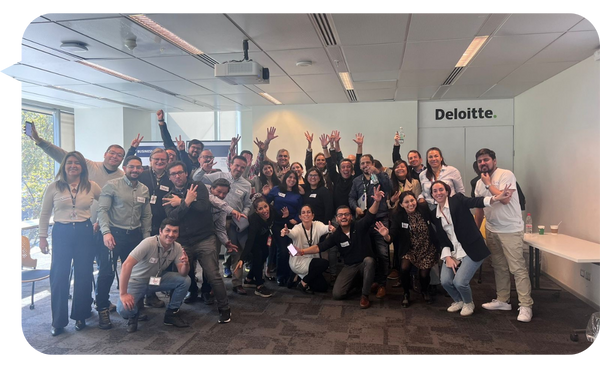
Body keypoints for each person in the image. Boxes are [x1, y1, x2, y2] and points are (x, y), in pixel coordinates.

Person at [38, 151, 102, 336]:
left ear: (82, 167)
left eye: (77, 163)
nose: (73, 166)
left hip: (84, 231)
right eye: (70, 162)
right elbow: (44, 213)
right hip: (62, 232)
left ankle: (80, 315)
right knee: (59, 276)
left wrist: (99, 221)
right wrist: (42, 237)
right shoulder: (54, 187)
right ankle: (58, 321)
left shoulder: (91, 186)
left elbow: (106, 202)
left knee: (83, 274)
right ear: (64, 166)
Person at [294, 186, 385, 309]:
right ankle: (362, 285)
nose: (343, 217)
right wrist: (302, 251)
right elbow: (320, 247)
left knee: (369, 261)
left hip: (365, 264)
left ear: (350, 216)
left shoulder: (359, 226)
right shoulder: (336, 235)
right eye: (340, 215)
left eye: (346, 214)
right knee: (337, 294)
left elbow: (370, 215)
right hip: (350, 266)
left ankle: (365, 295)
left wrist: (377, 201)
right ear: (336, 218)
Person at [429, 180, 512, 317]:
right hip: (453, 251)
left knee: (460, 282)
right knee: (445, 281)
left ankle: (468, 303)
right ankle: (459, 301)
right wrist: (447, 257)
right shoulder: (434, 215)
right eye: (435, 191)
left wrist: (496, 198)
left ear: (447, 191)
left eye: (441, 189)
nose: (438, 193)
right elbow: (441, 239)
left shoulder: (457, 200)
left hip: (471, 248)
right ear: (432, 195)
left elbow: (476, 202)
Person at [163, 161, 232, 324]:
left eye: (180, 172)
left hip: (204, 238)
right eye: (173, 174)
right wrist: (186, 202)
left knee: (213, 274)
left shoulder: (198, 186)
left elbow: (202, 207)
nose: (177, 176)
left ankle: (224, 309)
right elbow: (173, 218)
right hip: (183, 242)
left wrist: (181, 203)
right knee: (181, 275)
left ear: (186, 173)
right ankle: (173, 310)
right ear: (170, 177)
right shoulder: (167, 196)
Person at [474, 148, 534, 323]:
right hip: (492, 229)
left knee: (517, 268)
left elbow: (505, 199)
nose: (483, 163)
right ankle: (503, 300)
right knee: (499, 266)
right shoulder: (478, 183)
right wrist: (477, 231)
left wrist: (488, 184)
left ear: (494, 161)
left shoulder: (505, 175)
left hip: (510, 229)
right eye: (480, 161)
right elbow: (480, 210)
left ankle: (525, 305)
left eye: (486, 160)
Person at [96, 155, 152, 329]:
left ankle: (133, 308)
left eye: (138, 167)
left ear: (142, 169)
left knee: (135, 273)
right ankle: (103, 309)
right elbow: (102, 210)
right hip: (113, 234)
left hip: (134, 236)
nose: (135, 170)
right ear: (125, 167)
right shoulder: (112, 185)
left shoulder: (144, 189)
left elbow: (146, 215)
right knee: (107, 273)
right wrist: (106, 233)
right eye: (131, 167)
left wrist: (147, 238)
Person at [117, 219, 191, 333]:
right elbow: (126, 265)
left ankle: (171, 314)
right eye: (168, 230)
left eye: (175, 231)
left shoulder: (177, 247)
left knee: (185, 280)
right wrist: (123, 294)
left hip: (155, 280)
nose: (171, 235)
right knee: (123, 309)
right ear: (161, 231)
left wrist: (186, 263)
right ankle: (134, 315)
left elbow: (183, 273)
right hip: (137, 281)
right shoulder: (149, 243)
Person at [193, 155, 253, 294]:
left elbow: (247, 204)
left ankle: (237, 283)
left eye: (242, 167)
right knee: (212, 253)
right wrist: (203, 169)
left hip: (235, 222)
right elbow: (196, 180)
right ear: (230, 164)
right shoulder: (217, 176)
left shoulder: (247, 184)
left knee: (236, 252)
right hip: (215, 221)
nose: (238, 169)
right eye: (236, 165)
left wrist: (243, 215)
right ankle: (213, 284)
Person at [379, 191, 438, 308]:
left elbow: (435, 221)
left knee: (424, 275)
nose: (410, 204)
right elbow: (392, 236)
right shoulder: (398, 216)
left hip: (427, 247)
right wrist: (386, 235)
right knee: (404, 268)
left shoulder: (423, 208)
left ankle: (424, 291)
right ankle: (406, 293)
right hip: (409, 248)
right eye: (406, 202)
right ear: (401, 204)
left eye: (412, 200)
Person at [348, 152, 392, 299]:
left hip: (380, 220)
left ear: (372, 163)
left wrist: (378, 172)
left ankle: (382, 284)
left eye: (368, 162)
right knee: (369, 254)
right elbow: (351, 197)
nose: (365, 165)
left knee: (382, 253)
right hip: (364, 221)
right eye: (362, 163)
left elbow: (389, 188)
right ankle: (372, 281)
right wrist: (356, 208)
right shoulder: (356, 181)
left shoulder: (380, 177)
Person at [234, 196, 280, 298]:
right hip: (254, 241)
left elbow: (279, 217)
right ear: (256, 211)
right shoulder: (254, 220)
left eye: (265, 206)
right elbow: (250, 240)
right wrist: (242, 258)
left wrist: (286, 216)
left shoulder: (271, 211)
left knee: (266, 254)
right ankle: (259, 286)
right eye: (260, 209)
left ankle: (249, 279)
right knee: (258, 257)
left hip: (264, 239)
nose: (264, 210)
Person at [265, 170, 303, 286]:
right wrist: (266, 194)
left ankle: (290, 274)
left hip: (292, 225)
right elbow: (266, 204)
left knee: (291, 250)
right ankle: (281, 276)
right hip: (278, 224)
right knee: (282, 250)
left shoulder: (298, 193)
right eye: (289, 177)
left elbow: (301, 209)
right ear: (285, 178)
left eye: (294, 178)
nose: (292, 180)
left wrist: (296, 219)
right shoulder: (276, 189)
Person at [281, 205, 330, 293]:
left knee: (323, 287)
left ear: (313, 215)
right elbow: (292, 233)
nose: (306, 214)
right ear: (300, 217)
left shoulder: (317, 225)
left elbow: (326, 228)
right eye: (303, 213)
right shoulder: (297, 228)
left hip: (312, 261)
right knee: (324, 263)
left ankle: (295, 278)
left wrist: (331, 228)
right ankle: (303, 282)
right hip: (299, 262)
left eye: (308, 212)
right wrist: (287, 231)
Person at [156, 109, 202, 173]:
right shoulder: (178, 155)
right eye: (193, 147)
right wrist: (161, 122)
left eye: (198, 148)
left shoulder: (201, 165)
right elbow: (167, 141)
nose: (195, 150)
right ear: (188, 148)